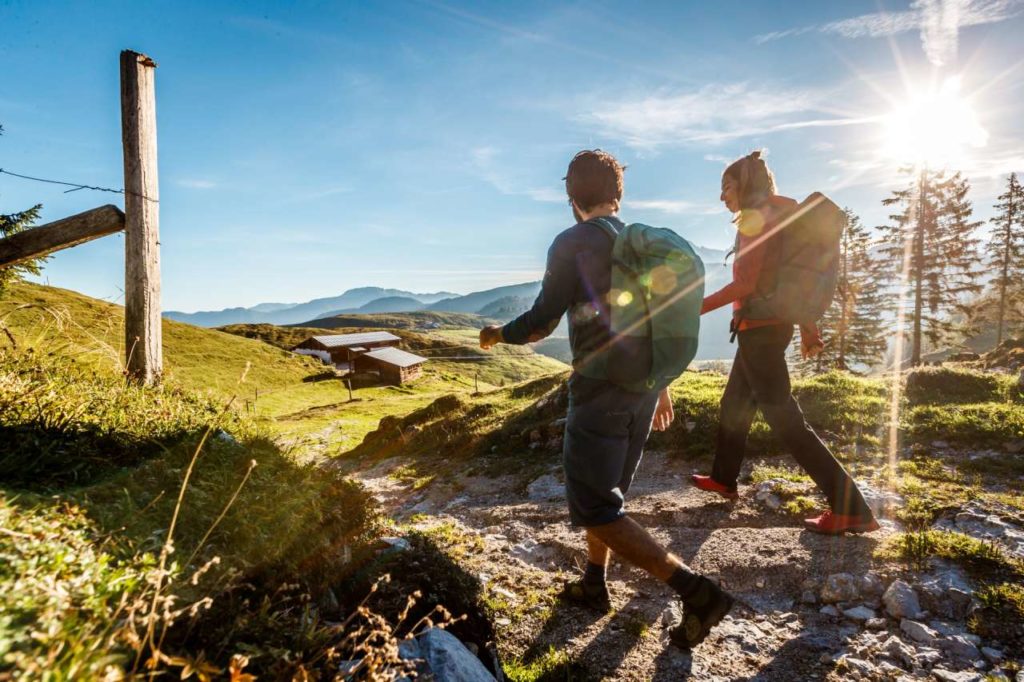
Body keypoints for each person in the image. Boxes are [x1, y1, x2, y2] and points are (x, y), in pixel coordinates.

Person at [479, 150, 733, 649]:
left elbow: (538, 325)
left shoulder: (572, 242)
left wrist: (496, 333)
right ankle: (595, 584)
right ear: (619, 195)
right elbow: (650, 322)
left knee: (595, 507)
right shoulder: (638, 244)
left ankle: (696, 591)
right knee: (611, 494)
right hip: (642, 391)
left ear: (571, 197)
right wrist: (661, 384)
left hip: (601, 392)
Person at [691, 151, 879, 535]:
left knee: (785, 419)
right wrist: (808, 326)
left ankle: (852, 509)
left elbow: (747, 284)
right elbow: (790, 281)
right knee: (734, 404)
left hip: (759, 329)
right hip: (768, 326)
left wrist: (696, 307)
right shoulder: (783, 215)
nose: (722, 196)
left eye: (726, 187)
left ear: (743, 185)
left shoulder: (755, 220)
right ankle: (724, 479)